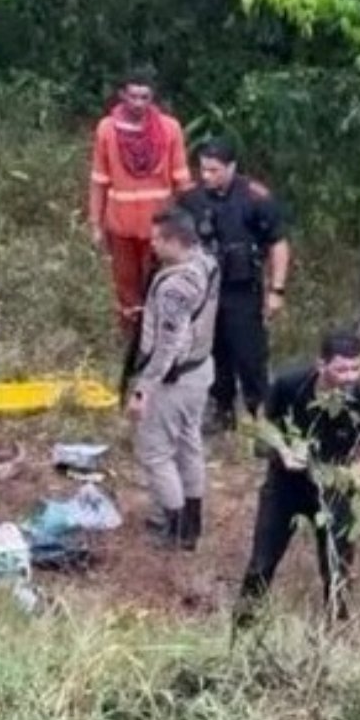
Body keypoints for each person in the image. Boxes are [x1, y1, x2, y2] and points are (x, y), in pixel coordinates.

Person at [235, 330, 360, 626]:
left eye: (355, 368)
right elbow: (262, 420)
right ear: (321, 365)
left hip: (332, 488)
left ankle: (335, 635)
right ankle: (243, 627)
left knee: (337, 569)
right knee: (261, 564)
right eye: (341, 369)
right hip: (285, 484)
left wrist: (351, 475)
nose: (349, 376)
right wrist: (283, 449)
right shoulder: (290, 383)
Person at [179, 139, 292, 435]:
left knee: (249, 354)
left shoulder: (255, 198)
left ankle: (263, 418)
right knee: (213, 353)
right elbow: (176, 241)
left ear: (231, 168)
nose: (207, 176)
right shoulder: (191, 199)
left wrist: (277, 290)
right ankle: (221, 410)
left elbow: (278, 243)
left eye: (214, 170)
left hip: (242, 290)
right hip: (205, 289)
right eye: (203, 169)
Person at [125, 206, 219, 551]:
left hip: (174, 380)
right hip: (201, 368)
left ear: (173, 240)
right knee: (189, 445)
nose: (151, 246)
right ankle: (193, 523)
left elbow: (169, 343)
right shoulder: (207, 262)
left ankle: (175, 526)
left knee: (155, 453)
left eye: (156, 240)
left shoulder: (174, 286)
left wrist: (143, 390)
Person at [88, 66, 193, 339]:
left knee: (158, 282)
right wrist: (95, 224)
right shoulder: (107, 129)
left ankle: (158, 339)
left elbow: (182, 179)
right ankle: (130, 341)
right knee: (125, 286)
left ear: (152, 97)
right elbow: (99, 180)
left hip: (159, 227)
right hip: (120, 225)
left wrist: (192, 224)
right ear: (122, 95)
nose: (138, 103)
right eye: (133, 96)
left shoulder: (169, 129)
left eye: (144, 97)